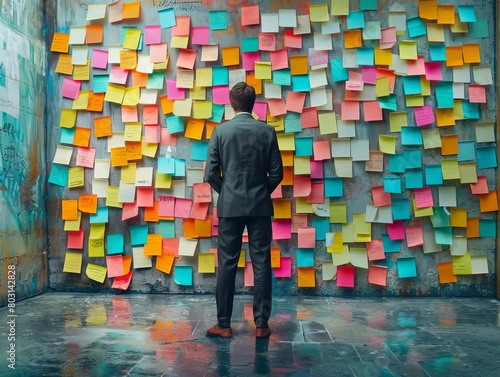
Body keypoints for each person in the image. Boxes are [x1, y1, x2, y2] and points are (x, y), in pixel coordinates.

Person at [204, 82, 283, 339]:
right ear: (252, 103)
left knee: (227, 264)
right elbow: (277, 174)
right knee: (261, 263)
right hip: (260, 206)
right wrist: (260, 191)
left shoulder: (220, 131)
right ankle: (261, 325)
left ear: (232, 103)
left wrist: (227, 192)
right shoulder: (267, 131)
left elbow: (210, 174)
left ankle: (224, 325)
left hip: (230, 206)